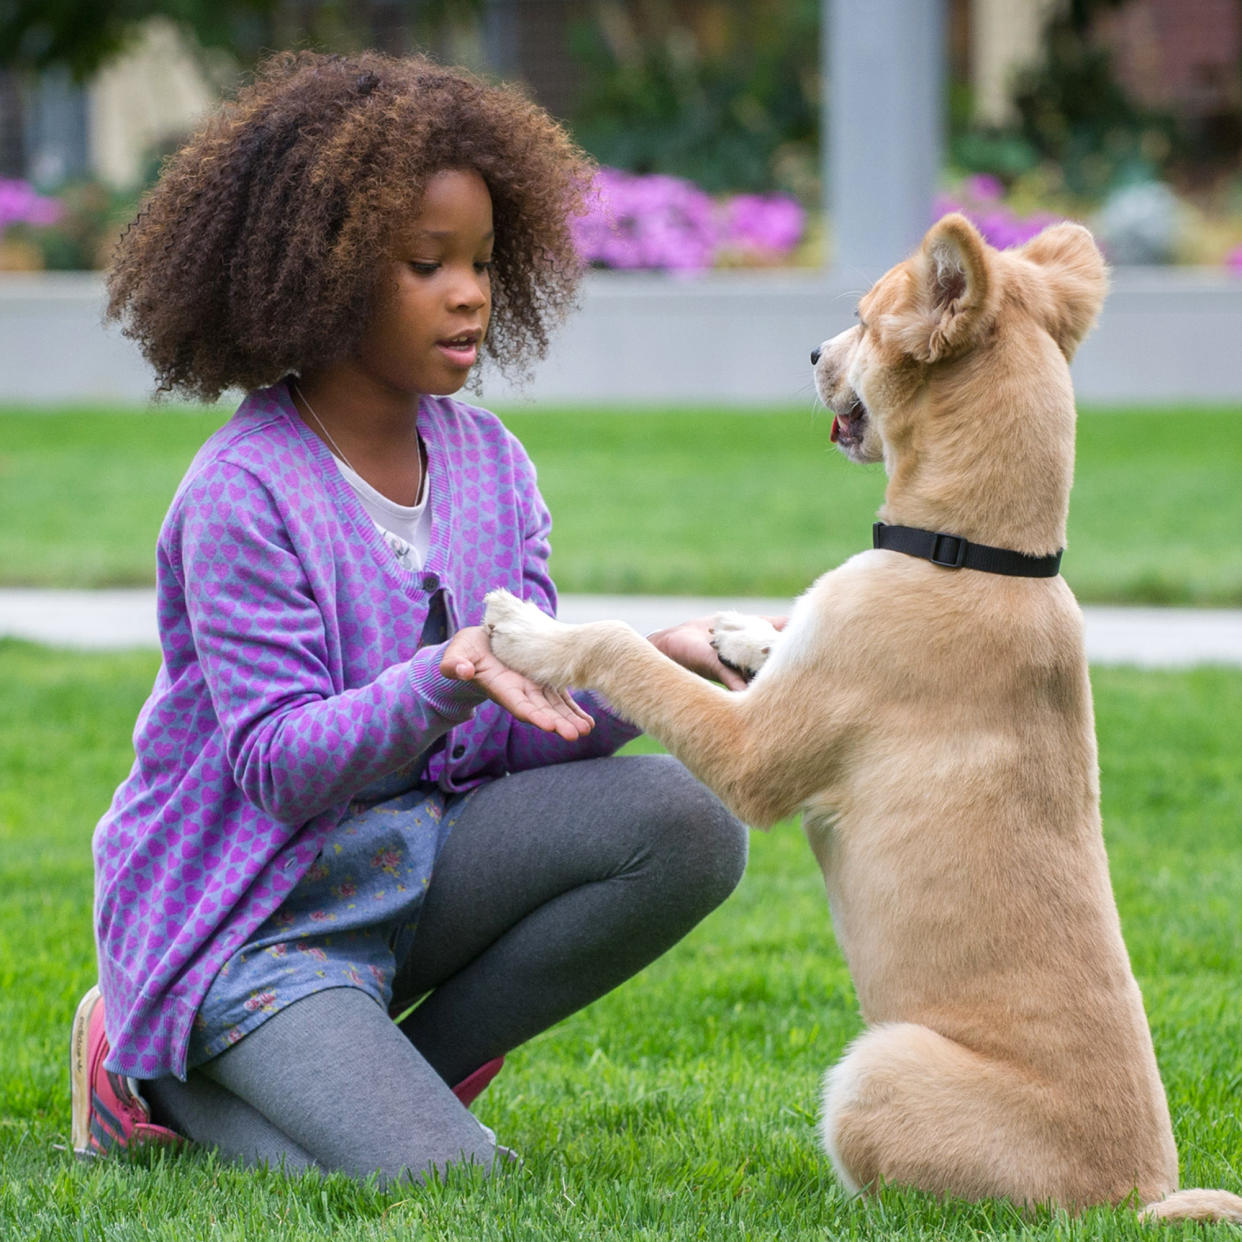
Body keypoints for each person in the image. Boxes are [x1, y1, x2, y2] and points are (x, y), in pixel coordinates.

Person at [71, 50, 750, 1185]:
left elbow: (514, 732)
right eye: (425, 263)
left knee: (691, 821)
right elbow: (280, 768)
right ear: (322, 275)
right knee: (447, 1181)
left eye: (482, 260)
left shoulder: (493, 465)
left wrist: (645, 670)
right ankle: (145, 1069)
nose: (471, 290)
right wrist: (444, 670)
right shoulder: (243, 494)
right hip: (251, 921)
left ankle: (385, 1080)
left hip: (410, 867)